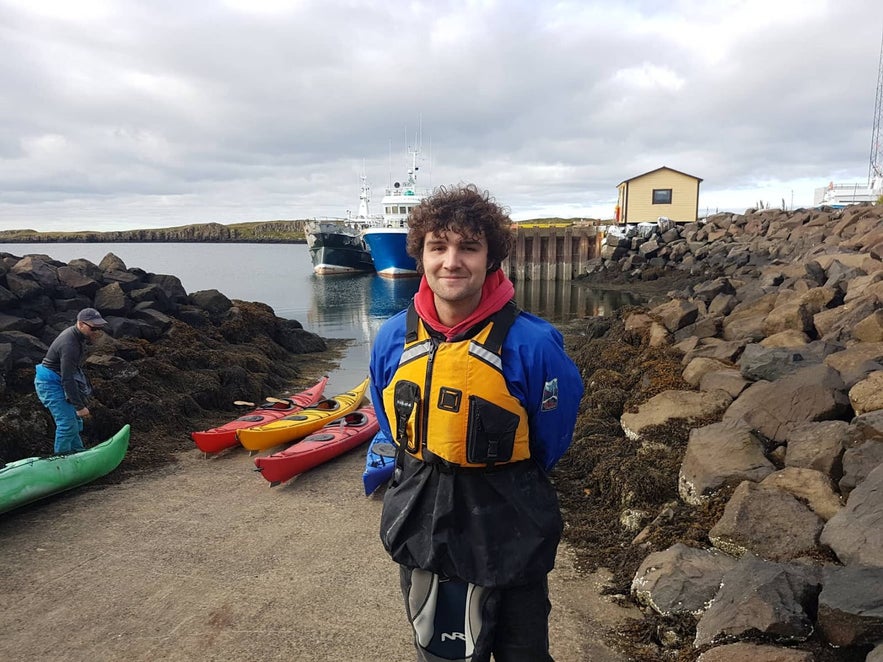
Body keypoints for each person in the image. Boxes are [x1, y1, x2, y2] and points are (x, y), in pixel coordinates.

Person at [368, 184, 583, 662]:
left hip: (511, 518)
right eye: (437, 247)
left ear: (491, 258)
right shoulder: (390, 338)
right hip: (423, 517)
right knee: (441, 652)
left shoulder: (534, 344)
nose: (451, 261)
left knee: (522, 652)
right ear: (420, 255)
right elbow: (388, 420)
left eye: (469, 247)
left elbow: (553, 437)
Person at [34, 307, 108, 454]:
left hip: (59, 377)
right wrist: (79, 407)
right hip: (49, 383)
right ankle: (60, 461)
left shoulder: (79, 336)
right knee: (67, 424)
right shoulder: (70, 345)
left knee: (75, 422)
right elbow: (67, 379)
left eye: (100, 328)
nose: (97, 332)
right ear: (80, 324)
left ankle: (77, 452)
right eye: (94, 328)